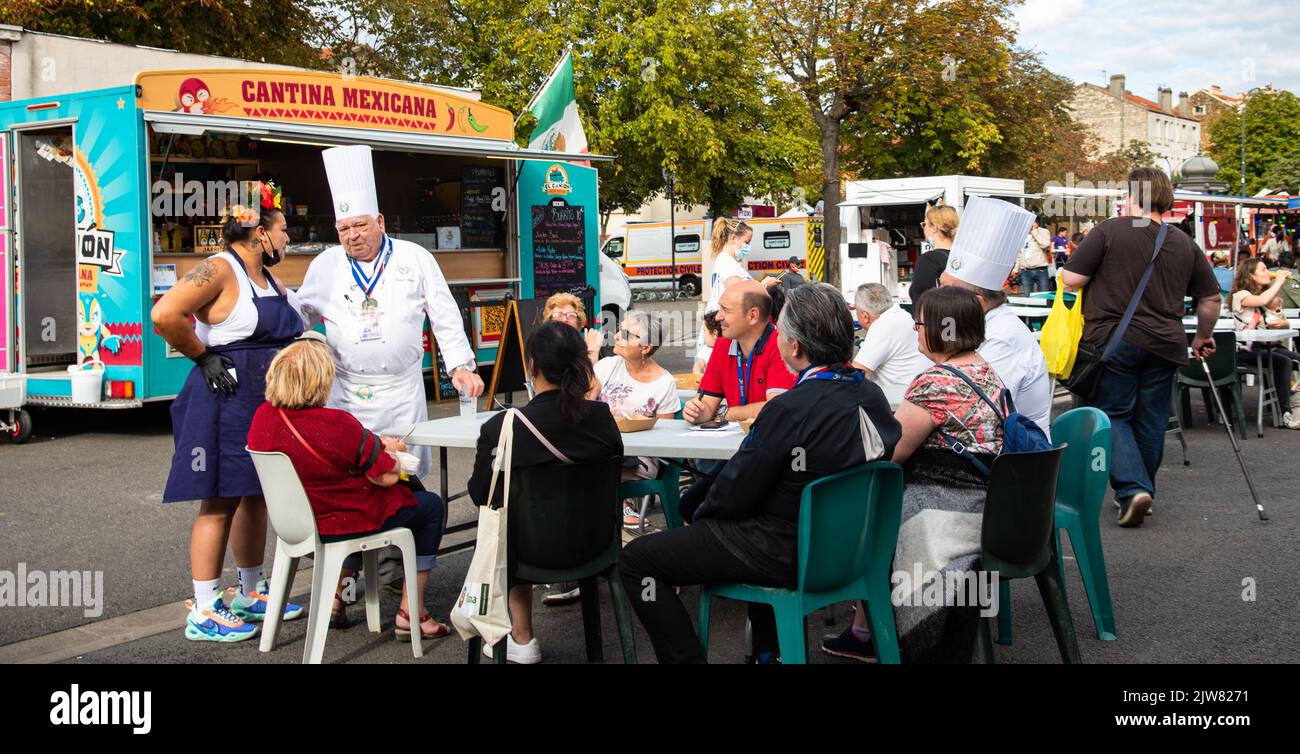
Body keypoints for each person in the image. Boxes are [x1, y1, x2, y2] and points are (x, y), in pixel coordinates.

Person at [621, 283, 901, 663]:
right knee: (737, 514)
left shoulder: (789, 408)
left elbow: (736, 490)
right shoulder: (870, 395)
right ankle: (768, 650)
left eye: (782, 331)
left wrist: (699, 515)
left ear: (795, 346)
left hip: (786, 550)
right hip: (853, 547)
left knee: (638, 560)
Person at [152, 185, 306, 642]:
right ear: (260, 234)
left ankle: (250, 591)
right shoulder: (219, 268)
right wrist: (202, 356)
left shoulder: (271, 280)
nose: (286, 241)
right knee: (219, 499)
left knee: (256, 492)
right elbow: (165, 314)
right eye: (282, 232)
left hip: (263, 402)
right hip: (223, 399)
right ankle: (203, 608)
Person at [823, 286, 1004, 664]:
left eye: (919, 323)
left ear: (941, 329)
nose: (915, 331)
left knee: (863, 521)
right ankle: (867, 631)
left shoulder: (935, 383)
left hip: (952, 514)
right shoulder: (987, 371)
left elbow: (890, 453)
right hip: (996, 507)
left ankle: (873, 633)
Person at [297, 145, 483, 482]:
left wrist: (460, 366)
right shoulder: (325, 264)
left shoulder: (414, 257)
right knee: (352, 475)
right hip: (347, 393)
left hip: (401, 393)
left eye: (360, 225)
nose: (352, 236)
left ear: (380, 221)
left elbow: (444, 313)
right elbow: (299, 317)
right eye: (343, 229)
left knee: (404, 477)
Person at [246, 339, 450, 637]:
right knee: (429, 506)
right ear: (322, 379)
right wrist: (393, 450)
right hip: (339, 522)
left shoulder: (263, 417)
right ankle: (411, 613)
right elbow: (387, 477)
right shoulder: (336, 423)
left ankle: (337, 599)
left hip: (298, 523)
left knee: (354, 504)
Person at [1063, 167, 1221, 526]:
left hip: (1115, 341)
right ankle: (1142, 490)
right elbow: (1210, 298)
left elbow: (1072, 279)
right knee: (1151, 421)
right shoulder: (1183, 241)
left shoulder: (1109, 230)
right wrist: (1202, 337)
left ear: (1132, 197)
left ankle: (1133, 489)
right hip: (1166, 343)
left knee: (1115, 414)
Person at [467, 322, 624, 663]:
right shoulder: (601, 417)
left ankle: (520, 637)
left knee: (507, 525)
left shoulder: (503, 427)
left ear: (532, 367)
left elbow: (480, 493)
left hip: (525, 555)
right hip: (596, 547)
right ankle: (522, 640)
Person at [680, 281, 798, 519]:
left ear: (753, 315)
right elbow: (707, 406)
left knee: (696, 506)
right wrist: (696, 411)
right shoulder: (724, 345)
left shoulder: (779, 344)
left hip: (767, 457)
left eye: (725, 310)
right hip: (734, 454)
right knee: (691, 505)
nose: (718, 317)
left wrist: (723, 413)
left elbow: (774, 408)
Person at [938, 197, 1053, 440]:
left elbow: (973, 407)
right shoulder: (974, 324)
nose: (939, 297)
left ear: (977, 301)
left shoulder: (1002, 337)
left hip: (1016, 457)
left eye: (947, 289)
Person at [591, 310, 682, 526]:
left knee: (588, 465)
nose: (617, 335)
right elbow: (582, 403)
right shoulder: (607, 366)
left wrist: (635, 422)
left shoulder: (663, 383)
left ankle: (616, 509)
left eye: (626, 333)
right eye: (618, 329)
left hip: (640, 458)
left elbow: (665, 437)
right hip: (604, 447)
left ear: (646, 347)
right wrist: (590, 355)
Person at [1230, 259, 1300, 428]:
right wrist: (1280, 280)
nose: (1268, 272)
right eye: (1263, 269)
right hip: (1246, 351)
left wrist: (1284, 324)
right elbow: (1260, 301)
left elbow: (1273, 321)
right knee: (1284, 361)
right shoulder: (1240, 296)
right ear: (1251, 275)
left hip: (1268, 347)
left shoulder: (1267, 297)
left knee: (1294, 358)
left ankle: (1296, 407)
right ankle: (1286, 413)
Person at [850, 283, 931, 395]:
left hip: (902, 398)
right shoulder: (901, 314)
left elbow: (856, 373)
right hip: (919, 389)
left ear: (865, 316)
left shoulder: (882, 326)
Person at [697, 218, 753, 357]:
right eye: (747, 242)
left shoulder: (726, 260)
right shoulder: (727, 262)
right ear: (734, 238)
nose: (748, 246)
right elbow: (737, 292)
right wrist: (763, 286)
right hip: (721, 328)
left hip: (719, 327)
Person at [909, 204, 959, 303]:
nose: (924, 228)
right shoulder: (962, 258)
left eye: (925, 224)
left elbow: (922, 301)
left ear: (934, 228)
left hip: (939, 317)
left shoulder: (929, 259)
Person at [1015, 217, 1053, 294]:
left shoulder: (1043, 231)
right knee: (1028, 297)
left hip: (1040, 270)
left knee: (1044, 296)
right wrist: (1016, 269)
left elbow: (1045, 245)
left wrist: (1035, 231)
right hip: (1025, 271)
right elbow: (1020, 253)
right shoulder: (1022, 233)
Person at [692, 311, 722, 376]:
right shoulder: (706, 349)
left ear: (714, 334)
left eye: (704, 331)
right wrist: (698, 373)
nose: (703, 335)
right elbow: (699, 364)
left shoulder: (726, 348)